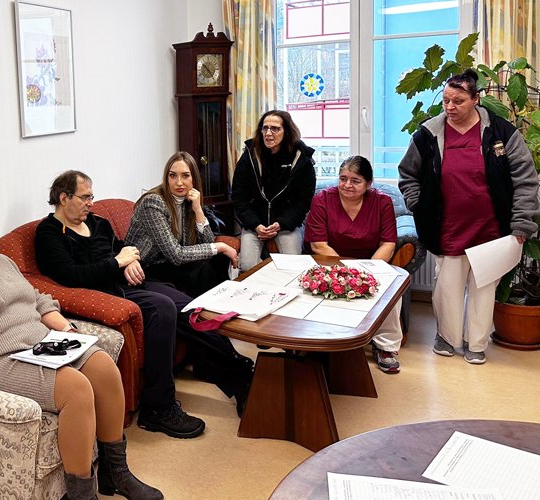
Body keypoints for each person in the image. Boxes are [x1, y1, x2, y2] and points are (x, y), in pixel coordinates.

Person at [0, 194, 162, 500]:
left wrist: (66, 330)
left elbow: (37, 298)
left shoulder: (2, 261)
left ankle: (116, 472)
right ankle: (81, 498)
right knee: (75, 388)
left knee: (102, 366)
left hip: (35, 343)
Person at [35, 171, 254, 432]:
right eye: (84, 197)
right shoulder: (49, 233)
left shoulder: (97, 223)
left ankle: (240, 374)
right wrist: (118, 263)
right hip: (105, 295)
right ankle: (158, 408)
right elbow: (70, 275)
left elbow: (122, 249)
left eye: (91, 196)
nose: (91, 203)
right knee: (163, 309)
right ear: (63, 198)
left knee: (189, 306)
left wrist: (131, 262)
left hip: (126, 283)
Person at [398, 69, 540, 365]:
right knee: (447, 288)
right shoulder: (428, 134)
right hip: (447, 227)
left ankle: (476, 344)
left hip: (492, 229)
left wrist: (522, 223)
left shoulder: (501, 132)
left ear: (476, 99)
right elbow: (408, 174)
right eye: (447, 100)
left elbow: (526, 180)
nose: (450, 107)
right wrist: (418, 204)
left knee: (484, 289)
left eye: (458, 101)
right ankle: (447, 338)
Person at [304, 156, 404, 373]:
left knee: (392, 291)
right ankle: (318, 341)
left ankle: (385, 347)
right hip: (329, 261)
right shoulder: (322, 199)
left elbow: (388, 243)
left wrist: (365, 272)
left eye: (355, 180)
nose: (347, 185)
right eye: (343, 179)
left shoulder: (382, 202)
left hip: (370, 263)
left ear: (368, 183)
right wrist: (345, 272)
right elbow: (319, 245)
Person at [125, 151, 238, 297]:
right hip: (147, 266)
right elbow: (176, 255)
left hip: (169, 263)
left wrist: (198, 210)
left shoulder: (186, 200)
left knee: (220, 259)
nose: (179, 182)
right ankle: (210, 310)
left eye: (185, 175)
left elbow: (208, 241)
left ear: (193, 179)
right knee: (202, 269)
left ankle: (224, 304)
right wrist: (220, 246)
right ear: (167, 178)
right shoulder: (153, 203)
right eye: (173, 176)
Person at [231, 110, 316, 271]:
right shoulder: (250, 154)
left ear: (287, 131)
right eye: (265, 128)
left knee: (293, 268)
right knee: (247, 266)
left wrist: (281, 223)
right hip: (255, 223)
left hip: (285, 223)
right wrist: (255, 224)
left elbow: (303, 201)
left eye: (275, 129)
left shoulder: (301, 158)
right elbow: (238, 195)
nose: (268, 133)